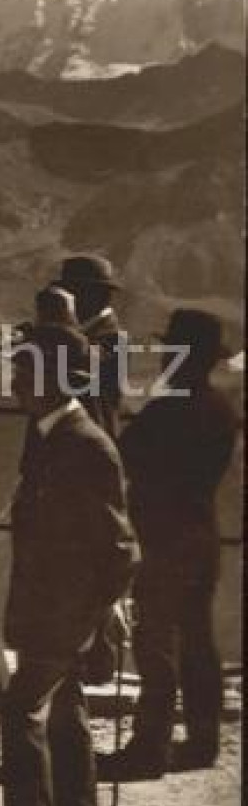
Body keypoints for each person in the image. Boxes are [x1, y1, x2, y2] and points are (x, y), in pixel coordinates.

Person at [0, 324, 139, 806]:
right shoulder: (55, 437)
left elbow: (120, 547)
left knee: (20, 710)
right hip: (53, 611)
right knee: (67, 721)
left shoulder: (85, 445)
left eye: (26, 370)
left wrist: (98, 614)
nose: (15, 381)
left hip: (62, 615)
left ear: (55, 379)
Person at [108, 310, 239, 777]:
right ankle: (203, 741)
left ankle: (150, 746)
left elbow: (123, 456)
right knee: (198, 641)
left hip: (163, 538)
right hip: (202, 534)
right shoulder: (221, 410)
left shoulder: (169, 409)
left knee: (157, 641)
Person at [51, 255, 127, 437]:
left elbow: (84, 367)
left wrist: (56, 327)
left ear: (99, 295)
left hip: (87, 443)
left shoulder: (114, 339)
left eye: (73, 292)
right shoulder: (75, 332)